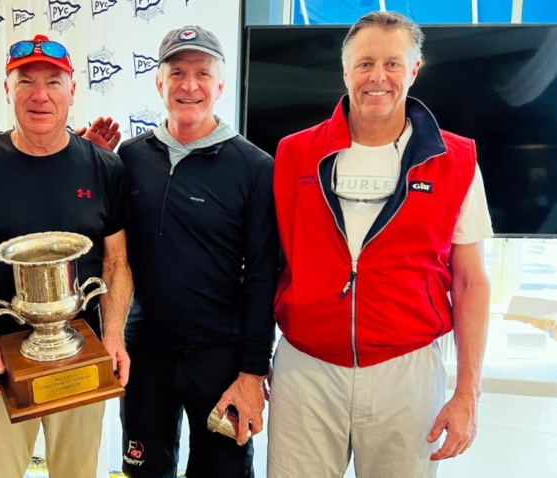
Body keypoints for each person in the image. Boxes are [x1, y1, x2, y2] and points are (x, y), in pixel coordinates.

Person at [268, 11, 493, 478]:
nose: (378, 77)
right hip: (306, 367)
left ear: (414, 70)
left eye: (393, 64)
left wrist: (468, 391)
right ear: (346, 71)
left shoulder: (456, 161)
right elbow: (266, 264)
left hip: (406, 371)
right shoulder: (293, 154)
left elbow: (471, 281)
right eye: (365, 63)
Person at [0, 34, 132, 478]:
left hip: (82, 349)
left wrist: (115, 336)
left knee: (78, 471)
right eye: (25, 81)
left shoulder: (105, 168)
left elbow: (116, 262)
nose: (40, 95)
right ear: (7, 90)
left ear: (72, 91)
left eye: (53, 82)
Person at [117, 25, 277, 478]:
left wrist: (251, 372)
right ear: (158, 82)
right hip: (145, 354)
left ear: (221, 84)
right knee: (145, 472)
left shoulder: (255, 167)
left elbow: (264, 275)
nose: (189, 85)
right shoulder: (129, 158)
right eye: (178, 72)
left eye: (202, 73)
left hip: (220, 361)